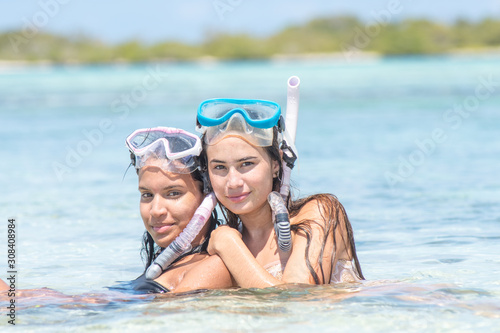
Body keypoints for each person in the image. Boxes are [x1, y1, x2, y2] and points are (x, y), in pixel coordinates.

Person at [196, 98, 364, 288]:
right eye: (219, 167)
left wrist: (229, 246)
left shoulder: (320, 213)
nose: (233, 182)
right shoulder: (221, 241)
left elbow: (296, 297)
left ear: (276, 165)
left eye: (247, 164)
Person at [121, 126, 233, 293]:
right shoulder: (170, 263)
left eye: (173, 193)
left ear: (207, 196)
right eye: (147, 195)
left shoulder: (212, 267)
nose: (156, 210)